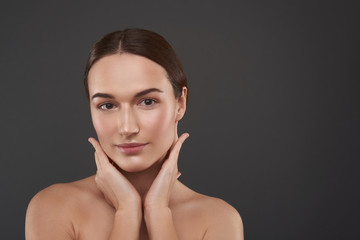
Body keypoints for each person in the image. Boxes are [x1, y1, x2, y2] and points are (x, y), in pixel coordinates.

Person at [25, 28, 244, 240]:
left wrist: (158, 213)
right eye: (107, 105)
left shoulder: (218, 220)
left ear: (180, 103)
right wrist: (127, 212)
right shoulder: (54, 208)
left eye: (147, 102)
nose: (127, 128)